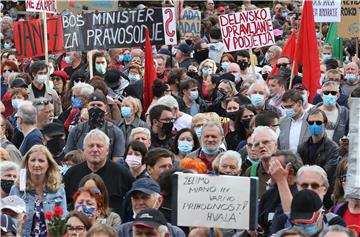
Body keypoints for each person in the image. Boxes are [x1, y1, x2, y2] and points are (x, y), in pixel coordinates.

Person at [63, 129, 134, 216]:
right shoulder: (71, 174)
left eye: (99, 146)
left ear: (107, 151)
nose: (95, 149)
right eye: (91, 146)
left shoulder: (122, 174)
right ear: (84, 150)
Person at [9, 145, 67, 236]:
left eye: (41, 161)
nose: (36, 164)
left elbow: (63, 222)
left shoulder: (58, 190)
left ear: (48, 164)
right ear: (27, 163)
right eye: (32, 160)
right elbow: (9, 220)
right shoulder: (17, 188)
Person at [64, 91, 126, 161]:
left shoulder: (115, 132)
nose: (95, 108)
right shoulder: (76, 131)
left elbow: (117, 161)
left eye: (99, 105)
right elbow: (68, 158)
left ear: (105, 107)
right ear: (87, 106)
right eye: (92, 105)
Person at [260, 150, 304, 235]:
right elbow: (261, 224)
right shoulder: (268, 195)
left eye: (274, 168)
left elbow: (292, 219)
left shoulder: (303, 193)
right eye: (270, 167)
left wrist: (281, 180)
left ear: (290, 170)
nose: (269, 172)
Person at [297, 108, 339, 188]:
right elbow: (298, 171)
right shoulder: (301, 147)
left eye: (318, 122)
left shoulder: (333, 148)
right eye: (311, 123)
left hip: (324, 192)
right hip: (305, 190)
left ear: (325, 124)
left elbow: (327, 173)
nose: (314, 125)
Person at [245, 126, 278, 197]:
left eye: (266, 142)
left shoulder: (288, 167)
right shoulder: (250, 172)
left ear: (276, 144)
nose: (261, 146)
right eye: (256, 144)